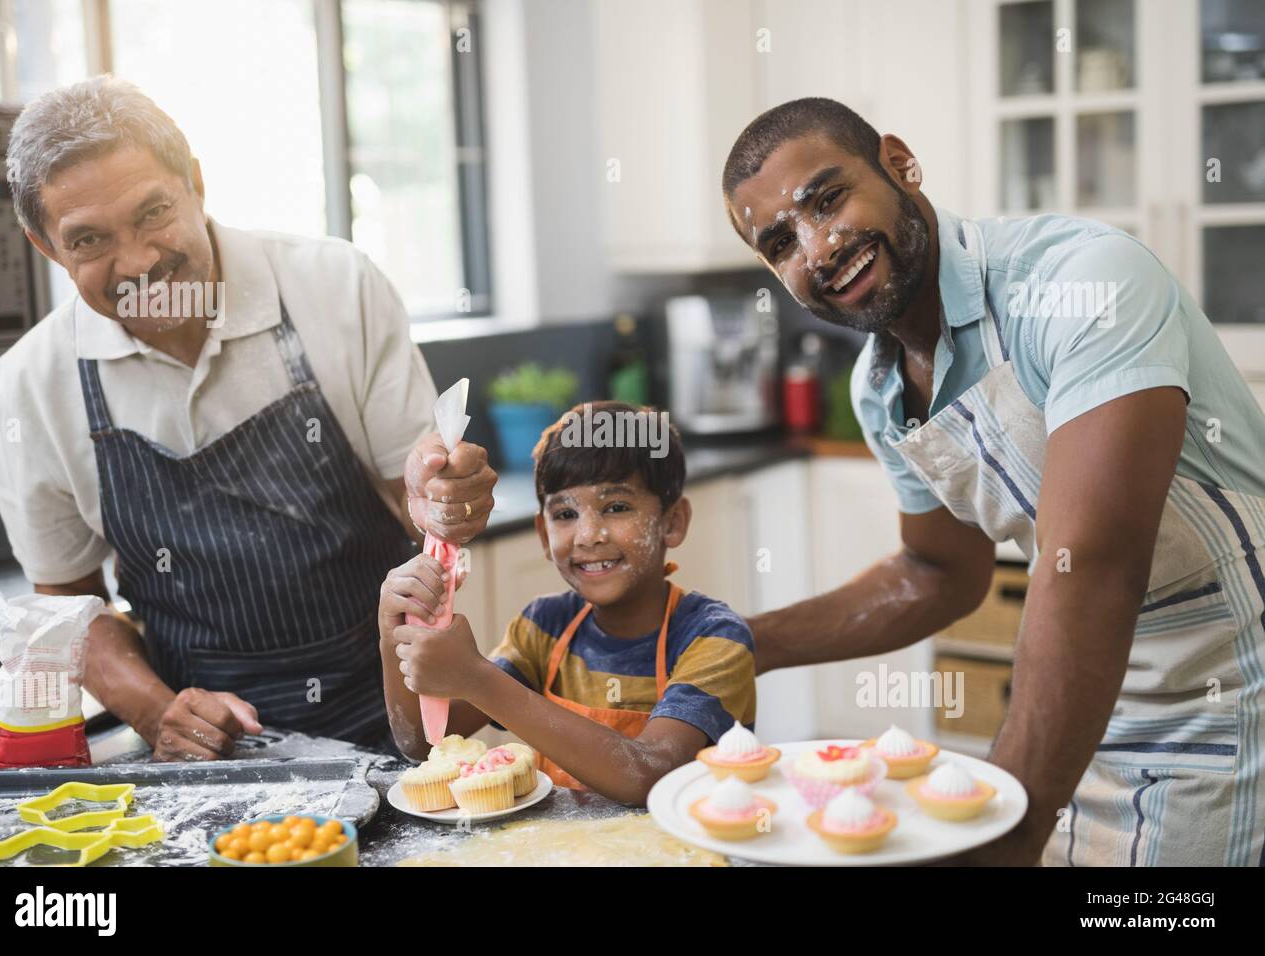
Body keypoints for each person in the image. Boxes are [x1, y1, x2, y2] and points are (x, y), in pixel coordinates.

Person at [724, 97, 1265, 865]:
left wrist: (1010, 826)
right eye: (780, 242)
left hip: (1235, 700)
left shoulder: (1081, 282)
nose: (818, 247)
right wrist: (744, 643)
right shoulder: (879, 387)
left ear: (900, 163)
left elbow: (1095, 568)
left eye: (828, 197)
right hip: (1085, 717)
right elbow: (937, 572)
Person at [0, 76, 497, 760]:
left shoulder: (336, 286)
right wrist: (159, 713)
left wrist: (440, 496)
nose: (137, 262)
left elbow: (425, 507)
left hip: (402, 726)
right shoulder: (31, 384)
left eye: (153, 212)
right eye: (88, 241)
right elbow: (69, 601)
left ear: (196, 183)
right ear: (46, 247)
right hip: (210, 760)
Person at [378, 401, 756, 804]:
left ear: (672, 522)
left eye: (616, 507)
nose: (588, 535)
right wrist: (394, 632)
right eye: (565, 513)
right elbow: (421, 743)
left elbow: (647, 774)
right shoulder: (544, 627)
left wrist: (477, 678)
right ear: (543, 535)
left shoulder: (716, 638)